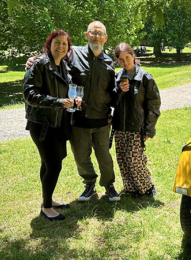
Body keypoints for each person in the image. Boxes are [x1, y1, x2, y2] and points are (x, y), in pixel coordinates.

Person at [26, 21, 120, 203]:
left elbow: (111, 90)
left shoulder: (109, 62)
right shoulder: (72, 53)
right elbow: (53, 56)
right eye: (93, 33)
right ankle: (89, 184)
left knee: (105, 157)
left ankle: (109, 185)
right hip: (77, 119)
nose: (97, 37)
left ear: (105, 38)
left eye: (100, 34)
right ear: (87, 35)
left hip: (101, 120)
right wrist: (32, 60)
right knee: (81, 157)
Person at [23, 30, 81, 221]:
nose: (61, 46)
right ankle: (47, 207)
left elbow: (68, 88)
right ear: (49, 44)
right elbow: (30, 95)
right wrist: (58, 102)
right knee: (54, 165)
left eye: (65, 44)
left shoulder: (63, 64)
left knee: (47, 163)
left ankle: (48, 200)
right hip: (42, 124)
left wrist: (75, 99)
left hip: (58, 122)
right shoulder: (40, 64)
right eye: (57, 42)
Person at [113, 43, 161, 196]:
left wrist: (149, 129)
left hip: (137, 127)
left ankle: (147, 187)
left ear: (133, 56)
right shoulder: (118, 77)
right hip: (120, 126)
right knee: (122, 159)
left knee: (135, 159)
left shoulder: (145, 77)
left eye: (127, 58)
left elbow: (154, 105)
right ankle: (131, 188)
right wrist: (119, 91)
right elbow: (111, 101)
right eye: (121, 59)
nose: (125, 62)